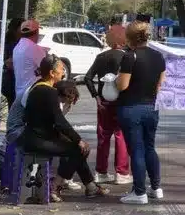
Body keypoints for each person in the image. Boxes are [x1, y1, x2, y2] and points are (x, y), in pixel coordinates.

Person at [22, 56, 105, 200]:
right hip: (38, 140)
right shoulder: (49, 92)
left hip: (35, 135)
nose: (63, 72)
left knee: (76, 147)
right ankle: (55, 187)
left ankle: (90, 186)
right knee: (77, 150)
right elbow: (60, 121)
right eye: (61, 69)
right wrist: (78, 140)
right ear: (52, 73)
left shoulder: (37, 87)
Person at [116, 21, 167, 205]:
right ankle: (156, 187)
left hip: (131, 107)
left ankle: (139, 192)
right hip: (152, 107)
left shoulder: (130, 57)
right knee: (149, 147)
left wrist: (114, 80)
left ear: (129, 38)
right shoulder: (158, 56)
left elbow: (122, 85)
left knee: (136, 150)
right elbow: (160, 84)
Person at [83, 23, 131, 185]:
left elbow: (87, 78)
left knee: (103, 137)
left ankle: (101, 172)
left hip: (103, 101)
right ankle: (121, 173)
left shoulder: (101, 57)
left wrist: (96, 96)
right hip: (122, 101)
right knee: (121, 135)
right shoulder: (127, 57)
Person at [11, 19, 49, 99]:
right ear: (36, 32)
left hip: (19, 92)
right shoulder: (35, 48)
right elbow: (47, 68)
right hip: (32, 93)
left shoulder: (17, 47)